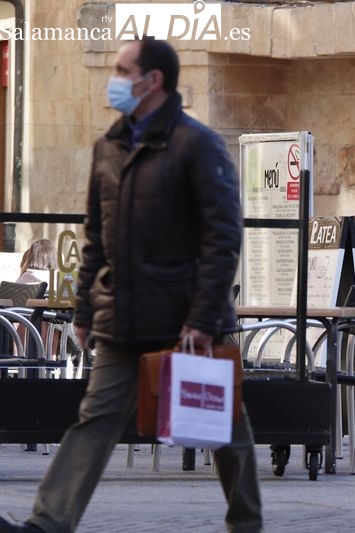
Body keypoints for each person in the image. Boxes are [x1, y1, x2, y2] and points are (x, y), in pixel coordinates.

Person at [0, 39, 262, 533]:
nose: (113, 79)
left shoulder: (197, 145)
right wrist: (82, 311)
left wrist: (205, 318)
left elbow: (222, 239)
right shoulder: (108, 147)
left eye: (122, 70)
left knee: (225, 424)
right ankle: (47, 523)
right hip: (123, 315)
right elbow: (95, 237)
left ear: (153, 80)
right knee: (94, 420)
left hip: (187, 315)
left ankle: (246, 522)